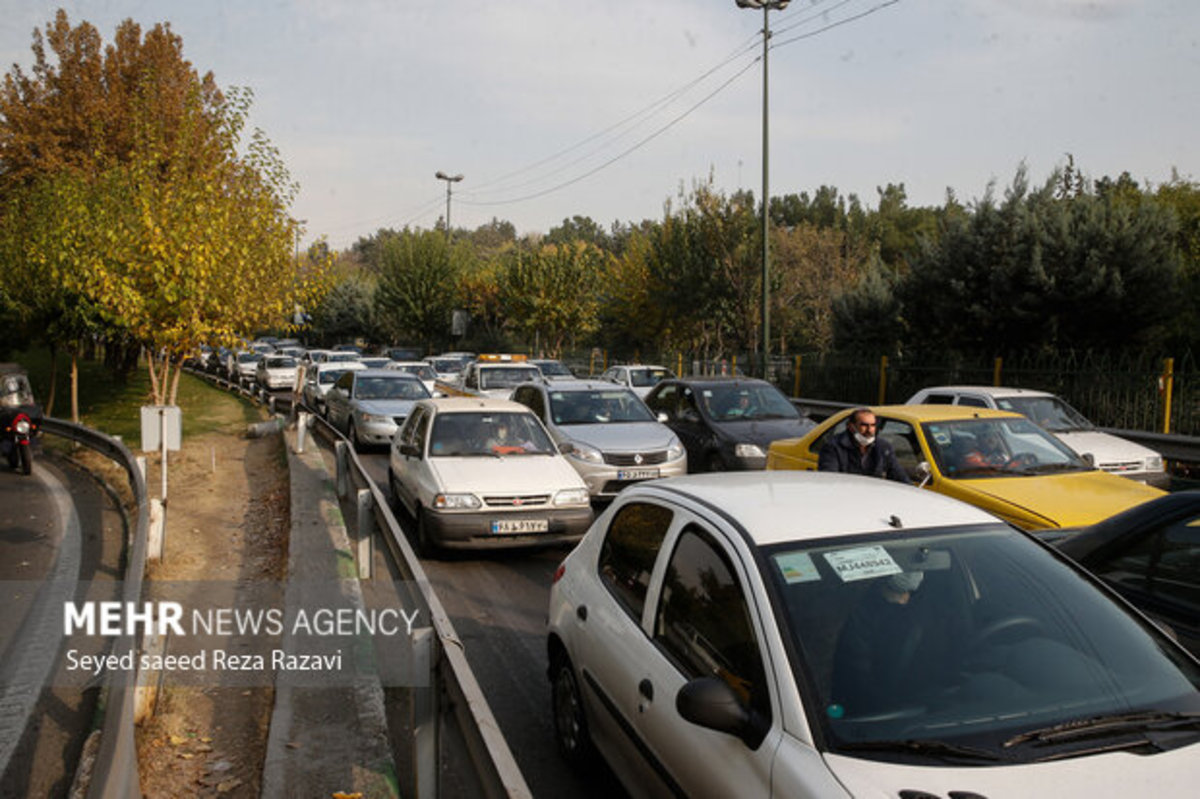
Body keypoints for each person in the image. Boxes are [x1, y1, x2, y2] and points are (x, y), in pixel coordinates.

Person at [831, 570, 928, 712]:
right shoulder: (860, 618)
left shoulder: (928, 617)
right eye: (899, 594)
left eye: (908, 594)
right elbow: (857, 675)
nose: (904, 599)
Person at [818, 408, 911, 483]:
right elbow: (829, 481)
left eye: (873, 425)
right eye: (864, 425)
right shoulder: (833, 447)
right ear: (851, 426)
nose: (869, 430)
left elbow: (899, 476)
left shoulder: (884, 448)